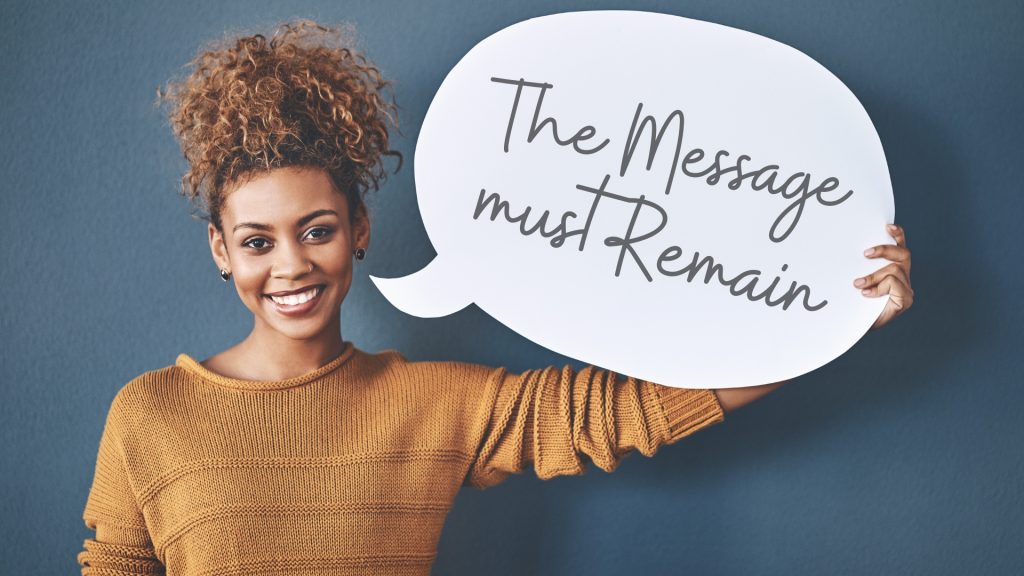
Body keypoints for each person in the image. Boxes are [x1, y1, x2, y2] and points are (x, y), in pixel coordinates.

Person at [77, 20, 914, 575]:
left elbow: (626, 412)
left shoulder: (435, 404)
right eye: (258, 241)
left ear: (360, 228)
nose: (291, 265)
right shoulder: (150, 415)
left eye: (318, 229)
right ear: (222, 250)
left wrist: (829, 319)